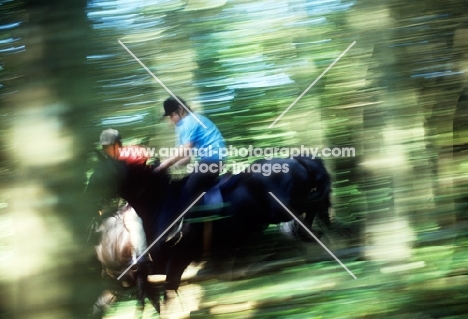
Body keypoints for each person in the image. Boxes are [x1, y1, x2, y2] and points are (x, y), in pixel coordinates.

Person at [156, 96, 227, 209]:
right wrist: (171, 167)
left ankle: (197, 221)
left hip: (212, 160)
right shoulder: (183, 125)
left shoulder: (189, 121)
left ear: (180, 110)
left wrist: (164, 165)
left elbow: (184, 150)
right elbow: (186, 158)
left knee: (187, 191)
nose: (170, 120)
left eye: (171, 115)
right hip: (210, 161)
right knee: (184, 184)